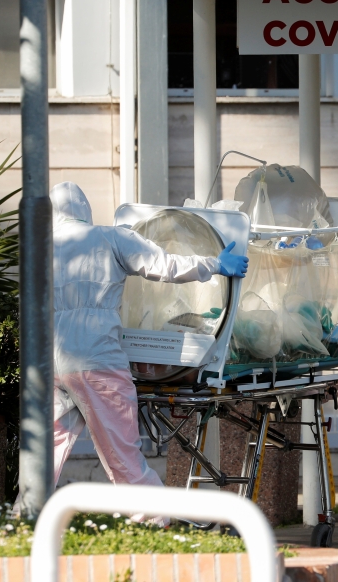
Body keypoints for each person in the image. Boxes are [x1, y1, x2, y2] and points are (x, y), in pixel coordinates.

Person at [49, 182, 247, 502]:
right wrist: (215, 264)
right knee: (122, 453)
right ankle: (151, 519)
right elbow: (164, 266)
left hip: (50, 363)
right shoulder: (111, 238)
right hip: (98, 360)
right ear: (85, 210)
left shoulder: (40, 248)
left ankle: (22, 519)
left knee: (44, 451)